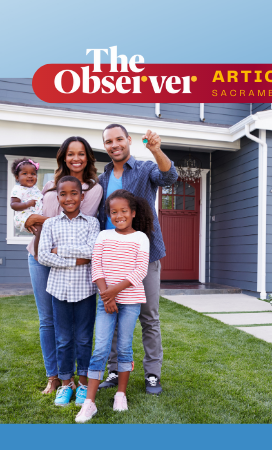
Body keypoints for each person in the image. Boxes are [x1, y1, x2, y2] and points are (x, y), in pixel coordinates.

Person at [96, 124, 177, 395]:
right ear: (105, 145)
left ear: (129, 140)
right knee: (113, 311)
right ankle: (115, 368)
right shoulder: (103, 178)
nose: (114, 144)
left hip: (145, 253)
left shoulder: (144, 169)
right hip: (110, 257)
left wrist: (156, 150)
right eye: (109, 141)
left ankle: (152, 374)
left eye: (119, 139)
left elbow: (169, 176)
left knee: (149, 317)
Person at [23, 137, 103, 395]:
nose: (76, 158)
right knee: (47, 320)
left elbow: (80, 218)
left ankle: (75, 379)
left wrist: (41, 221)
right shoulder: (48, 185)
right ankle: (55, 377)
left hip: (71, 263)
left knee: (78, 330)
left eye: (81, 154)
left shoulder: (93, 188)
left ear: (88, 157)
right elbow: (45, 219)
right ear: (63, 157)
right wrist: (31, 219)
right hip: (38, 254)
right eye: (71, 154)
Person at [75, 189, 152, 423]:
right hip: (106, 299)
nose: (118, 215)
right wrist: (106, 296)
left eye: (123, 211)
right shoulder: (103, 236)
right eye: (113, 212)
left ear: (133, 213)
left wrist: (113, 294)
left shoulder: (141, 238)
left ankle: (121, 394)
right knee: (100, 348)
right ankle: (90, 403)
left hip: (130, 300)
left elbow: (140, 271)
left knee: (125, 347)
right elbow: (96, 266)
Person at [36, 176, 100, 407]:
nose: (69, 198)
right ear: (58, 197)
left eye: (74, 193)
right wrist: (75, 260)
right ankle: (65, 384)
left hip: (85, 291)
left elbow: (92, 251)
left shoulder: (92, 223)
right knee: (62, 339)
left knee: (83, 338)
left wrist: (59, 251)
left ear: (82, 196)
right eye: (63, 194)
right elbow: (43, 255)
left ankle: (83, 384)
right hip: (59, 290)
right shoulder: (51, 224)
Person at [9, 158, 43, 234]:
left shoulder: (35, 189)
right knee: (38, 231)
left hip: (35, 215)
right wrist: (26, 204)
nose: (30, 176)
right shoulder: (18, 189)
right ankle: (37, 246)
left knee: (43, 232)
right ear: (17, 177)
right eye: (25, 173)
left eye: (33, 174)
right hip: (23, 216)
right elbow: (13, 204)